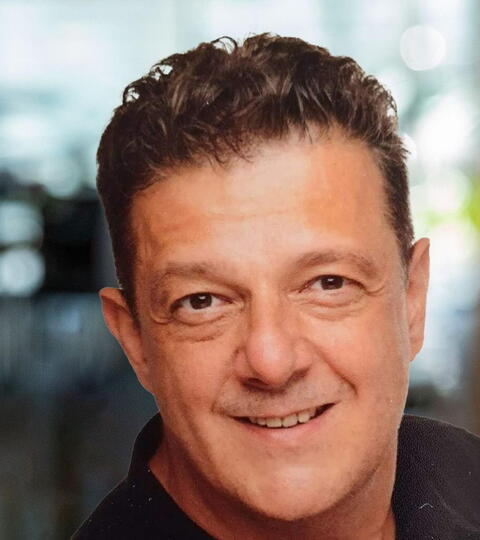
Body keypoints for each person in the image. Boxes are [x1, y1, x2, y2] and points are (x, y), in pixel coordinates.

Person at [72, 34, 480, 539]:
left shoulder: (462, 473)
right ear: (135, 342)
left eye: (328, 283)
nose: (271, 361)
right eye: (202, 301)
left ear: (412, 301)